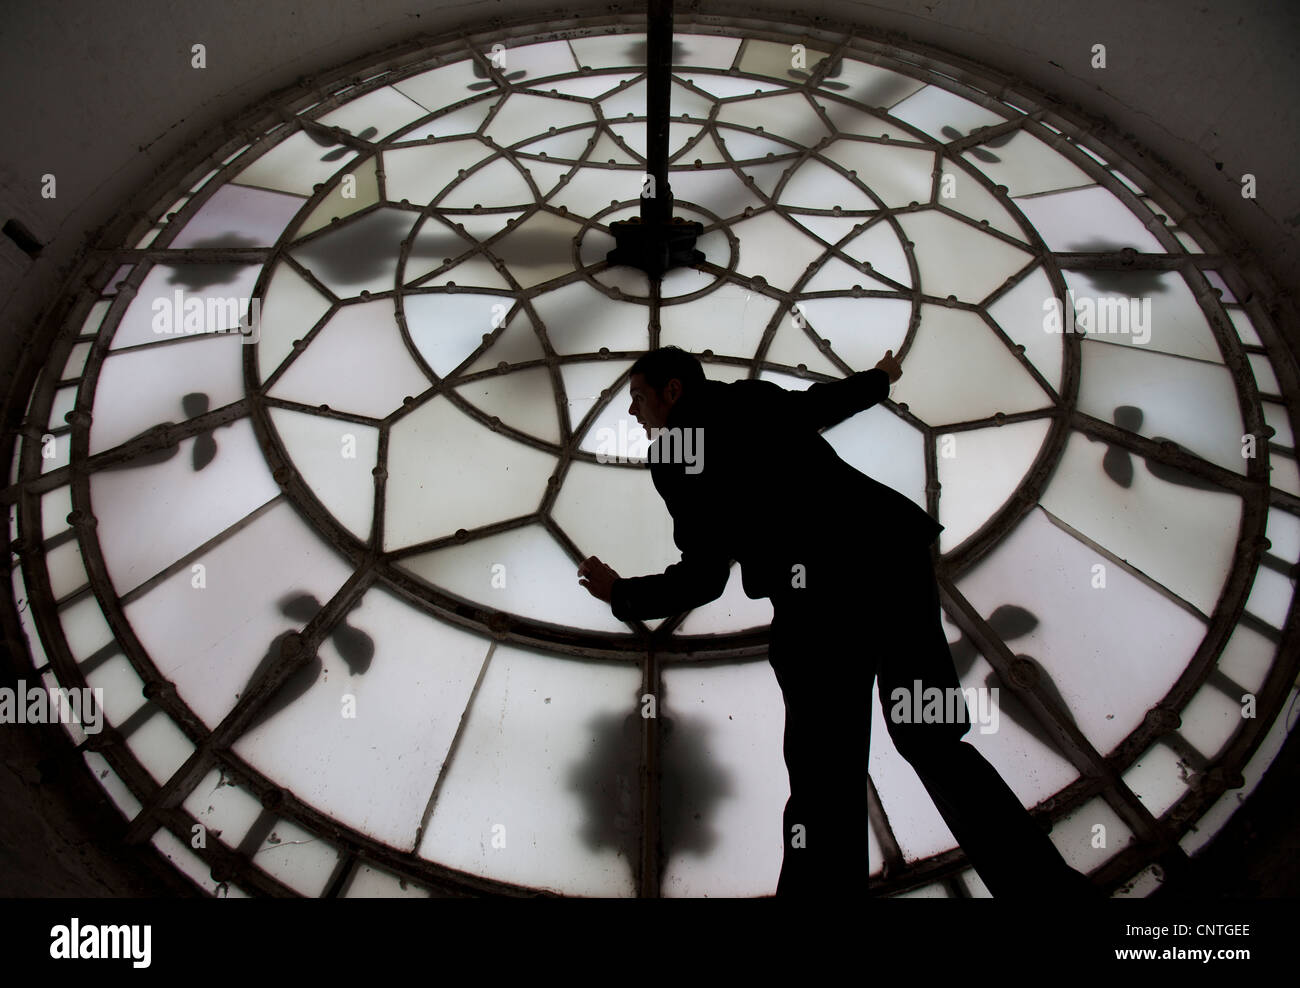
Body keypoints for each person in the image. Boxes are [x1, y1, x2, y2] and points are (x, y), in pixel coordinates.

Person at [578, 345, 1099, 899]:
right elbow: (822, 405)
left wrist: (623, 594)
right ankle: (1047, 892)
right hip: (893, 557)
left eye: (638, 397)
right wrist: (879, 378)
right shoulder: (753, 398)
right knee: (935, 742)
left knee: (825, 773)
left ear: (672, 391)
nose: (634, 413)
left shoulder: (675, 456)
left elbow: (705, 577)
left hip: (820, 602)